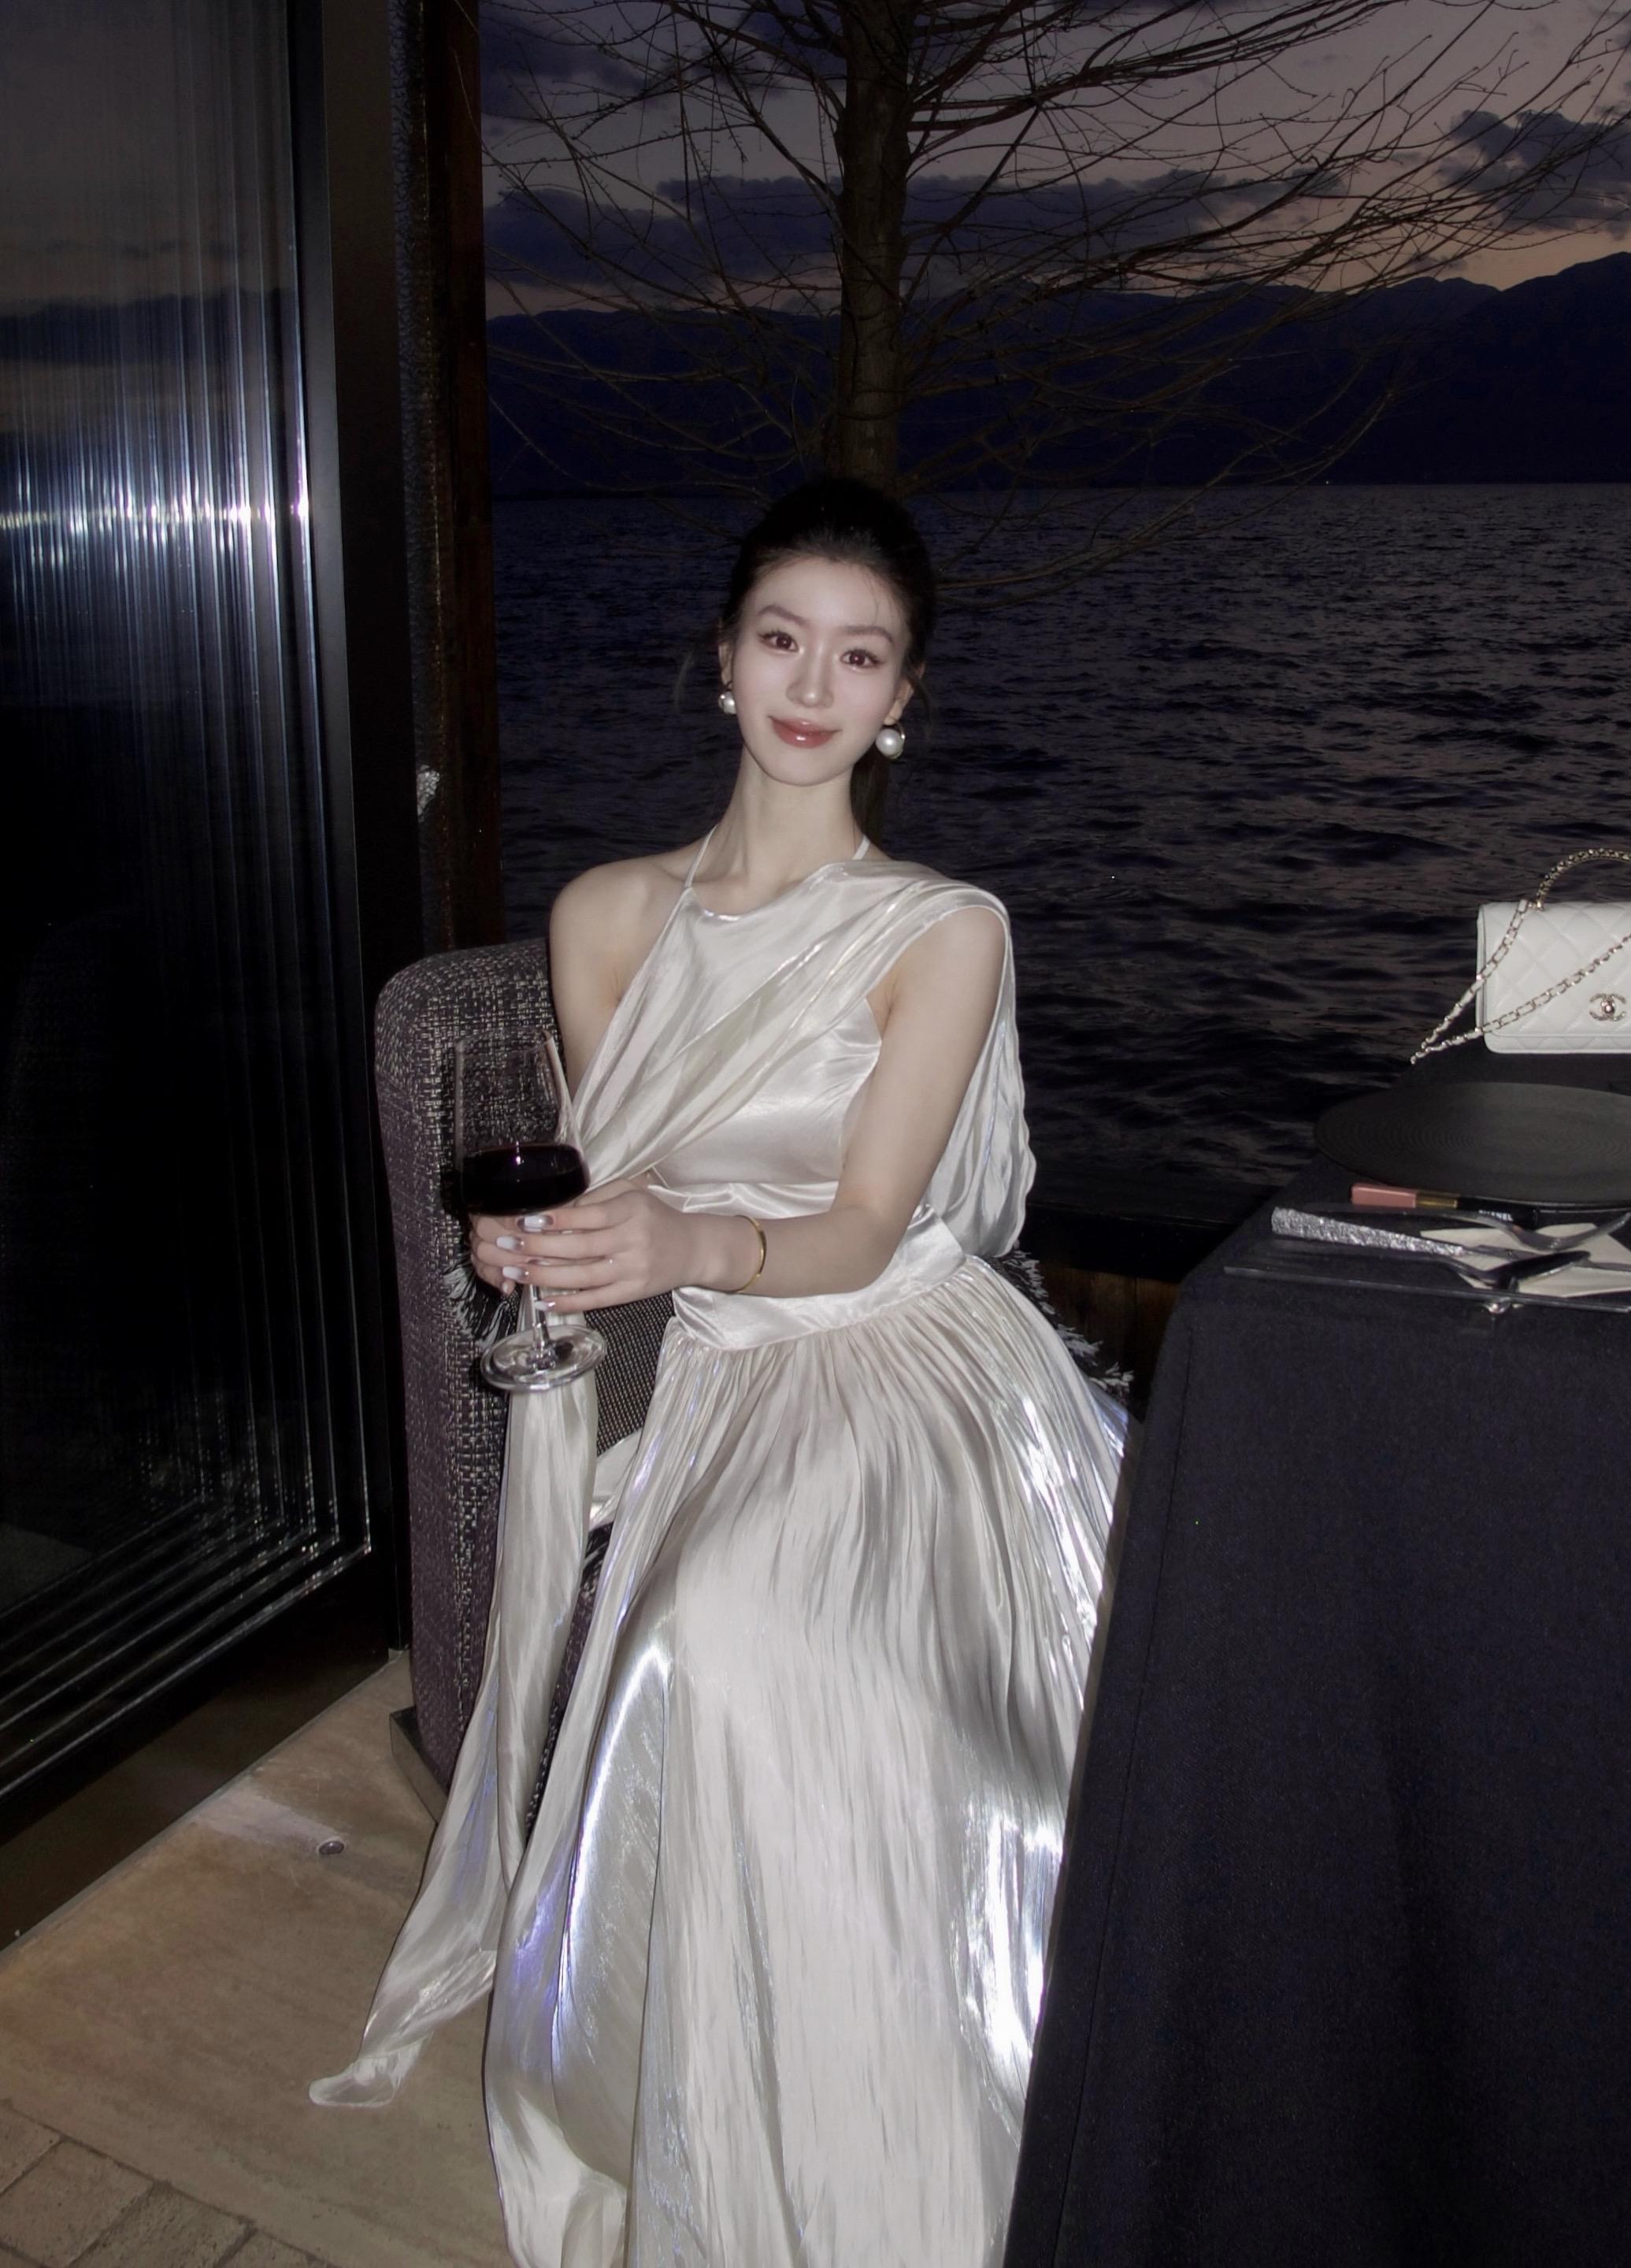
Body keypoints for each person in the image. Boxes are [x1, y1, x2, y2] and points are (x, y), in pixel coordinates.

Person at [312, 479, 1128, 2266]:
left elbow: (865, 1227)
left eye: (862, 656)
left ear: (903, 697)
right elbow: (617, 1177)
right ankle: (727, 2110)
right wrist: (541, 1249)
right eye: (783, 639)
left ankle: (905, 2144)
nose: (814, 687)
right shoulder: (604, 917)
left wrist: (690, 1246)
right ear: (724, 660)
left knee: (767, 1645)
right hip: (728, 1370)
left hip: (907, 1360)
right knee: (719, 1638)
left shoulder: (944, 928)